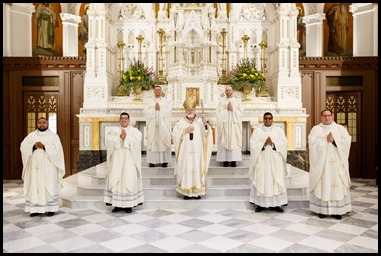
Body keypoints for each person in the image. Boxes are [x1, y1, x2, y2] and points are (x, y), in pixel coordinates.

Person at [308, 109, 352, 220]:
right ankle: (322, 210)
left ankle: (338, 210)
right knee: (324, 184)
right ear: (321, 117)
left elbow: (347, 141)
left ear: (332, 116)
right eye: (324, 116)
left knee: (337, 184)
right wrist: (325, 141)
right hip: (322, 166)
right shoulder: (316, 129)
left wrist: (334, 141)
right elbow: (312, 144)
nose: (327, 118)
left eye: (329, 116)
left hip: (337, 164)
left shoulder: (340, 129)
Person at [20, 117, 65, 217]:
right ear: (37, 124)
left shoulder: (54, 136)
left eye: (44, 123)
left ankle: (50, 209)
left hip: (49, 167)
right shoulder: (31, 136)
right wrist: (32, 146)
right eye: (39, 123)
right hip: (34, 167)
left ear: (47, 124)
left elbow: (58, 151)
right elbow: (23, 146)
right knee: (34, 185)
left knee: (49, 185)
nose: (42, 124)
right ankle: (35, 209)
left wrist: (44, 146)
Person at [172, 98, 213, 200]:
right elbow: (174, 136)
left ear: (195, 111)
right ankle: (186, 192)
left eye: (192, 110)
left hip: (197, 153)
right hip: (184, 153)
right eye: (188, 110)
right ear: (185, 111)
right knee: (186, 169)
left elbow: (206, 135)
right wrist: (184, 131)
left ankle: (196, 192)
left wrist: (205, 125)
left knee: (197, 168)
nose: (190, 111)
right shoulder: (180, 123)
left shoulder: (200, 122)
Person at [104, 112, 144, 213]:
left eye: (126, 118)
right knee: (117, 179)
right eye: (122, 118)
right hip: (117, 159)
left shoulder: (135, 131)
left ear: (129, 120)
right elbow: (108, 141)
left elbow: (137, 142)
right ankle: (117, 205)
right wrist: (119, 138)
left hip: (129, 159)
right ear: (119, 120)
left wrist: (126, 138)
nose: (124, 120)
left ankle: (128, 205)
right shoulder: (113, 130)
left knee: (128, 179)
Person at [248, 112, 288, 213]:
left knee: (276, 180)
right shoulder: (257, 131)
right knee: (262, 180)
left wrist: (273, 144)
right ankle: (260, 204)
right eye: (266, 118)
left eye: (270, 118)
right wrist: (263, 144)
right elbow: (252, 144)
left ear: (272, 119)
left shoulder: (278, 130)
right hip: (262, 161)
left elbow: (284, 143)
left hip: (276, 161)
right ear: (263, 119)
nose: (268, 120)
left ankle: (277, 204)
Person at [143, 85, 173, 168]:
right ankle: (152, 161)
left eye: (158, 90)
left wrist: (160, 109)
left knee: (163, 140)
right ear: (154, 91)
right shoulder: (149, 101)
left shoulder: (166, 101)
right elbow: (145, 111)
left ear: (161, 91)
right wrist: (154, 109)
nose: (157, 92)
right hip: (152, 125)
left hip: (163, 125)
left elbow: (169, 111)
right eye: (155, 90)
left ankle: (165, 161)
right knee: (152, 141)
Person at [216, 85, 244, 167]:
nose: (228, 92)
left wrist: (233, 110)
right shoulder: (222, 101)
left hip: (234, 125)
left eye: (229, 90)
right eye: (227, 90)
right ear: (225, 92)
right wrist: (225, 110)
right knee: (224, 140)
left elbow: (241, 112)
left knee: (234, 141)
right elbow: (218, 113)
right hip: (224, 125)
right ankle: (225, 160)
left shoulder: (237, 101)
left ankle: (233, 161)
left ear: (232, 91)